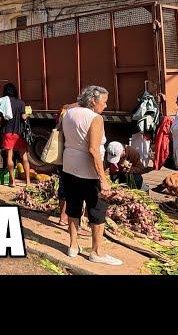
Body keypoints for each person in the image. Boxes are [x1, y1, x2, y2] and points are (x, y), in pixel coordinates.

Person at [61, 85, 122, 265]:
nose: (105, 106)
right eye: (104, 102)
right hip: (89, 171)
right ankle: (96, 252)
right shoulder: (96, 118)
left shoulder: (69, 112)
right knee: (97, 210)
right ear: (93, 101)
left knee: (73, 206)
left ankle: (73, 245)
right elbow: (93, 150)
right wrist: (103, 179)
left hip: (69, 166)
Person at [0, 83, 31, 187]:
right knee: (24, 157)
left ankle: (12, 182)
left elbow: (0, 117)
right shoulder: (21, 103)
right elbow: (23, 117)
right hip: (19, 133)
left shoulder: (4, 102)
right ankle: (28, 182)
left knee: (9, 156)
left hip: (8, 132)